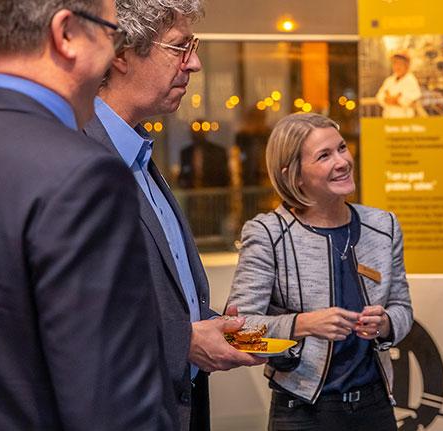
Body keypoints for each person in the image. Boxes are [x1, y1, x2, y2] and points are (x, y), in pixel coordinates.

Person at [0, 0, 177, 429]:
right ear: (66, 34)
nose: (114, 55)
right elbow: (113, 407)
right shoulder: (81, 176)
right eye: (112, 35)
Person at [82, 1, 265, 430]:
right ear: (122, 53)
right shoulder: (77, 158)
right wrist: (183, 340)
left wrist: (209, 325)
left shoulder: (140, 154)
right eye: (180, 47)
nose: (195, 64)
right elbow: (70, 315)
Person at [226, 113, 413, 430]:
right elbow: (237, 329)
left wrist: (385, 323)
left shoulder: (384, 227)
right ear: (294, 175)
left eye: (342, 148)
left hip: (375, 406)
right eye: (324, 156)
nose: (342, 162)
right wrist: (303, 324)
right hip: (301, 411)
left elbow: (403, 309)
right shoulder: (267, 233)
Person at [376, 50, 422, 118]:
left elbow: (408, 101)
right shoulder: (389, 80)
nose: (397, 66)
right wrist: (395, 98)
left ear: (407, 65)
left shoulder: (411, 81)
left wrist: (390, 98)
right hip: (387, 118)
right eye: (395, 63)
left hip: (404, 120)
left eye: (400, 64)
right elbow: (379, 96)